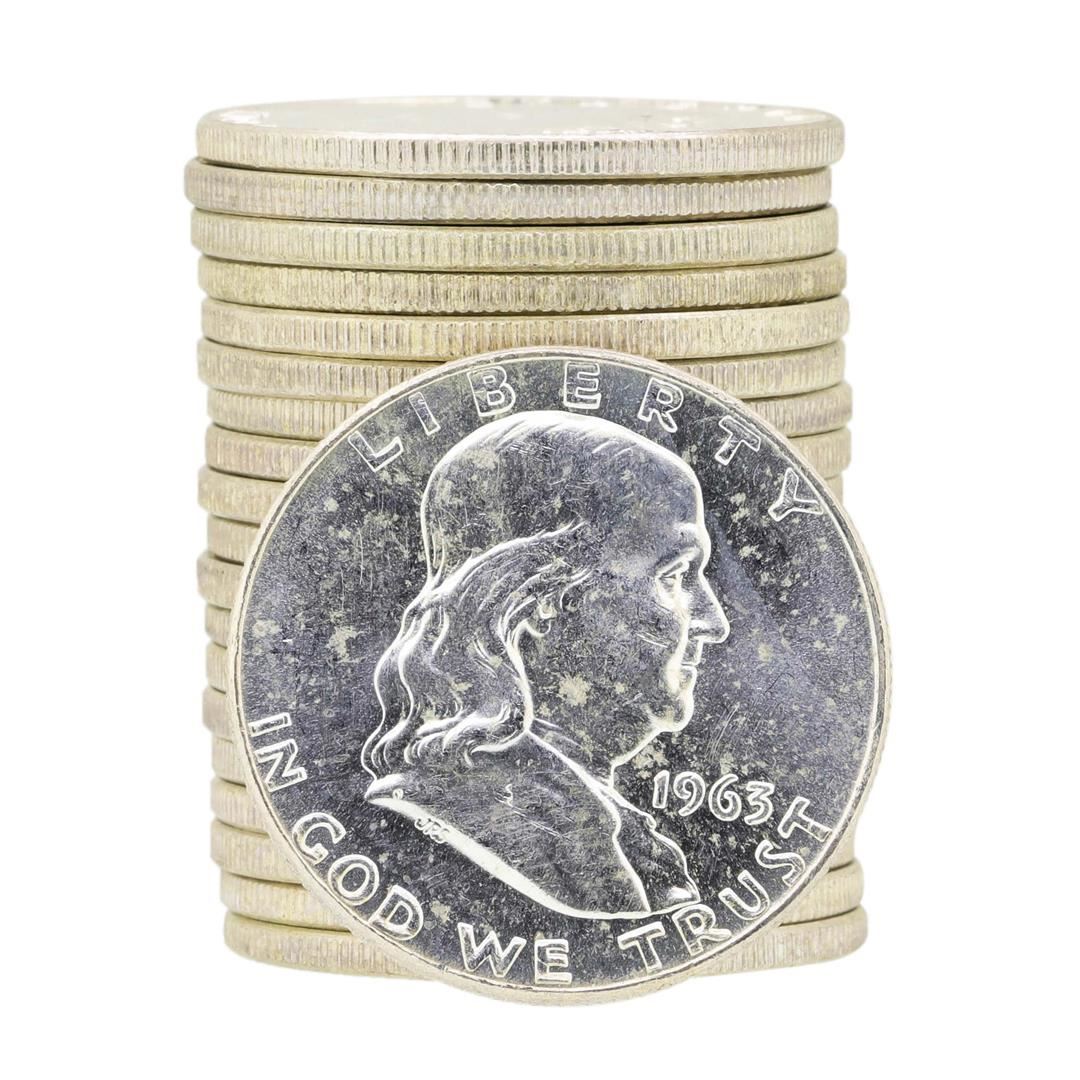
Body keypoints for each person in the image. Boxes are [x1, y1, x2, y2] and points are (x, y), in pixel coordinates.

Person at [362, 411, 730, 920]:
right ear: (539, 604)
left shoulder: (603, 829)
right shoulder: (469, 822)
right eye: (672, 576)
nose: (714, 623)